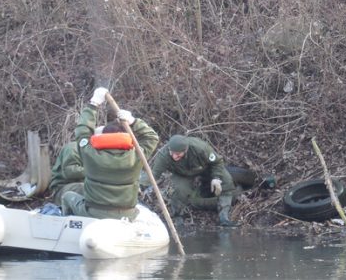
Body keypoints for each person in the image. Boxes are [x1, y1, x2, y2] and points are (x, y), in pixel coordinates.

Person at [61, 87, 159, 221]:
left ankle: (70, 226)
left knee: (67, 196)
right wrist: (134, 122)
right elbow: (152, 137)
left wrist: (93, 104)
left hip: (93, 213)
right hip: (127, 214)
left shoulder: (90, 153)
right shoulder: (137, 155)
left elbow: (82, 131)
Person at [143, 134, 239, 226]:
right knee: (179, 190)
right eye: (172, 153)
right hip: (182, 174)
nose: (174, 156)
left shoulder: (200, 148)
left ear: (186, 150)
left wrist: (216, 178)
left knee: (226, 181)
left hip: (205, 168)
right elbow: (153, 175)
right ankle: (178, 218)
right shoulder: (164, 155)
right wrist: (140, 186)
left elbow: (217, 162)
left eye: (178, 154)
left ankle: (224, 217)